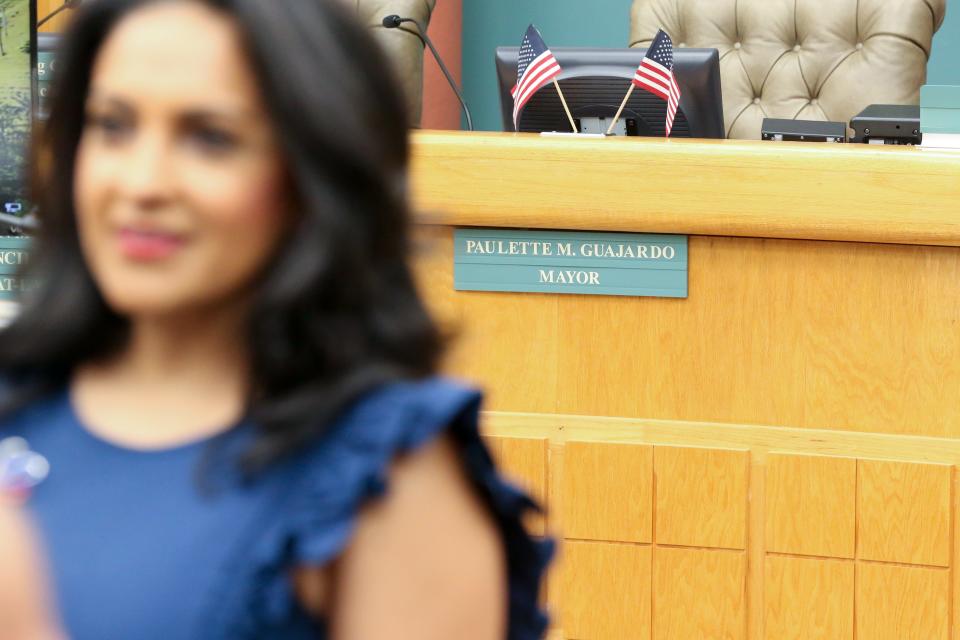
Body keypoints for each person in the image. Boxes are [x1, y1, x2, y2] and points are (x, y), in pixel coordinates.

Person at [0, 0, 551, 638]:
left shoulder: (382, 469)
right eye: (113, 126)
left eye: (210, 137)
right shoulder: (21, 396)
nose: (142, 182)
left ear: (309, 176)